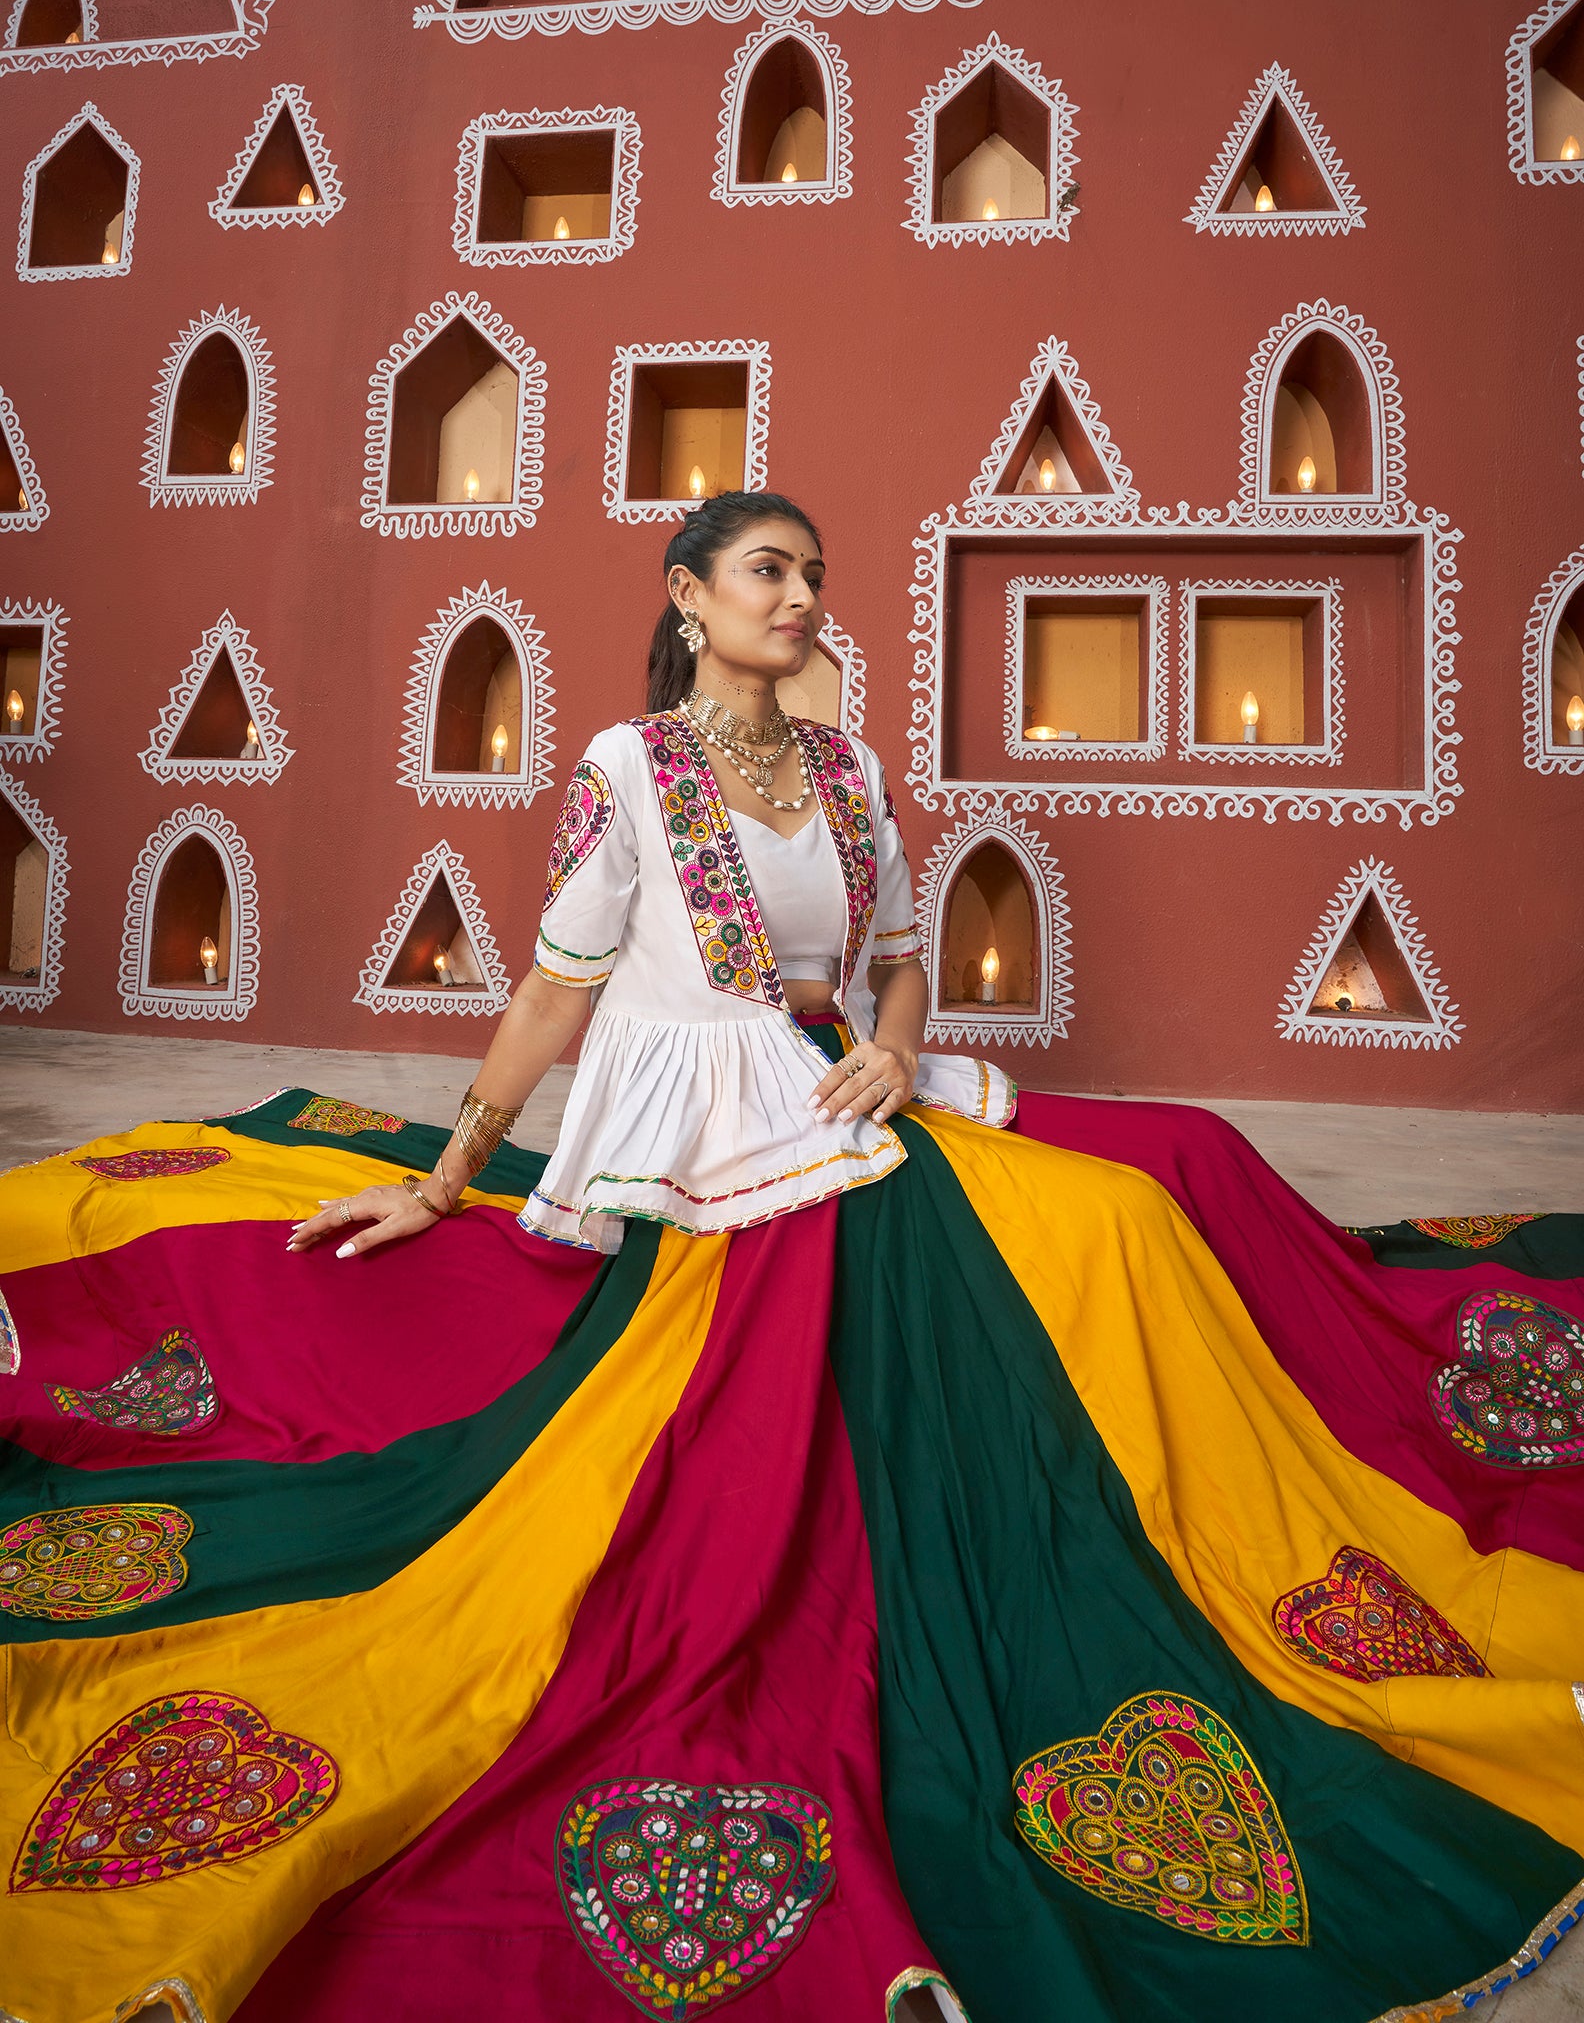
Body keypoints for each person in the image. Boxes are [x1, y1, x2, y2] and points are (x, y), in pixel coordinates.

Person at [2, 493, 1581, 2023]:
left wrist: (898, 1052)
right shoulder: (630, 768)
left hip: (842, 1086)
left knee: (1182, 1163)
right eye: (768, 569)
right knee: (1073, 1235)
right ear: (686, 592)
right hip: (708, 1120)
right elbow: (559, 988)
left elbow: (896, 974)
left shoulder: (851, 770)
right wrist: (457, 1172)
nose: (802, 596)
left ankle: (1308, 1438)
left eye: (815, 574)